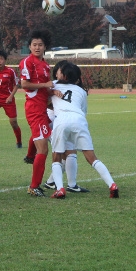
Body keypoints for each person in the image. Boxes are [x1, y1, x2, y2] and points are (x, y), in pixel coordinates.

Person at [48, 62, 119, 199]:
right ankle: (112, 185)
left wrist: (51, 92)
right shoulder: (81, 91)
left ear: (64, 75)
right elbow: (83, 111)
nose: (57, 72)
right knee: (92, 157)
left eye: (59, 71)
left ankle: (60, 189)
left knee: (56, 157)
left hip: (61, 120)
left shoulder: (54, 83)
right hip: (79, 120)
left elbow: (41, 90)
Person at [43, 59, 89, 193]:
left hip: (60, 120)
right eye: (60, 70)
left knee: (66, 152)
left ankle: (52, 182)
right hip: (54, 120)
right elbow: (42, 98)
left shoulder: (63, 85)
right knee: (67, 152)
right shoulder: (53, 85)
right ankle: (70, 185)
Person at [19, 29, 54, 197]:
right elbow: (25, 84)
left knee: (45, 140)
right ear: (29, 47)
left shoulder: (46, 65)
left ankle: (30, 155)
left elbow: (47, 89)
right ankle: (34, 186)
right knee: (44, 149)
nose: (37, 47)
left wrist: (53, 95)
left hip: (43, 109)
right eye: (34, 45)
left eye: (40, 45)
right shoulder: (27, 62)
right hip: (34, 110)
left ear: (45, 47)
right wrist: (45, 86)